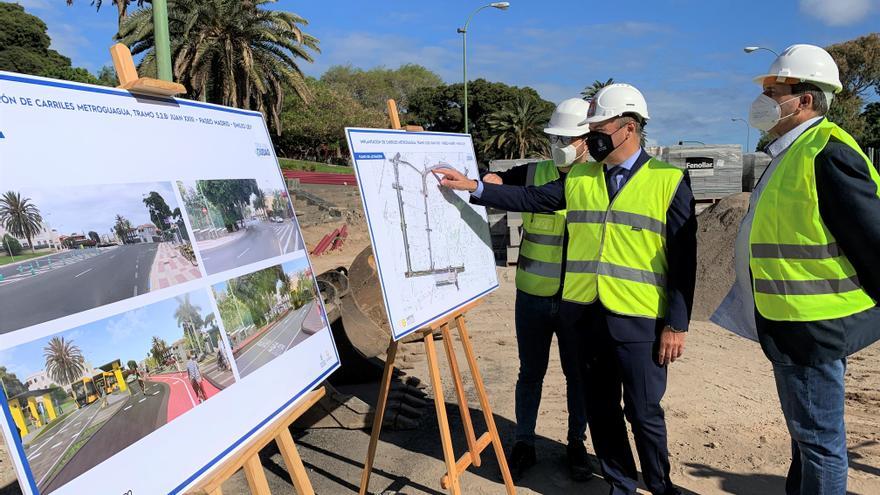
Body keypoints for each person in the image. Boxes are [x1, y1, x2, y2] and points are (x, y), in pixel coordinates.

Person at [437, 83, 696, 495]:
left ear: (628, 128)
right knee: (602, 409)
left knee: (644, 412)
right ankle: (620, 483)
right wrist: (476, 188)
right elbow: (531, 196)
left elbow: (684, 260)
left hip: (640, 319)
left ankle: (660, 486)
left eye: (598, 125)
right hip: (585, 316)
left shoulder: (668, 180)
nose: (590, 134)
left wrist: (676, 324)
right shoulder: (582, 176)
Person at [724, 44, 880, 495]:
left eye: (774, 90)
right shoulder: (790, 151)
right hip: (789, 323)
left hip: (813, 329)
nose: (765, 99)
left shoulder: (827, 152)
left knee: (820, 445)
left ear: (804, 100)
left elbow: (872, 238)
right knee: (806, 440)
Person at [476, 98, 592, 481]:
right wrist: (489, 180)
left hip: (578, 300)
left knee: (579, 376)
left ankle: (577, 444)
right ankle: (524, 441)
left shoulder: (599, 180)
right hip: (532, 297)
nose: (561, 143)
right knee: (531, 372)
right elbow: (498, 186)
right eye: (556, 136)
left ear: (588, 139)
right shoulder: (531, 173)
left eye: (569, 137)